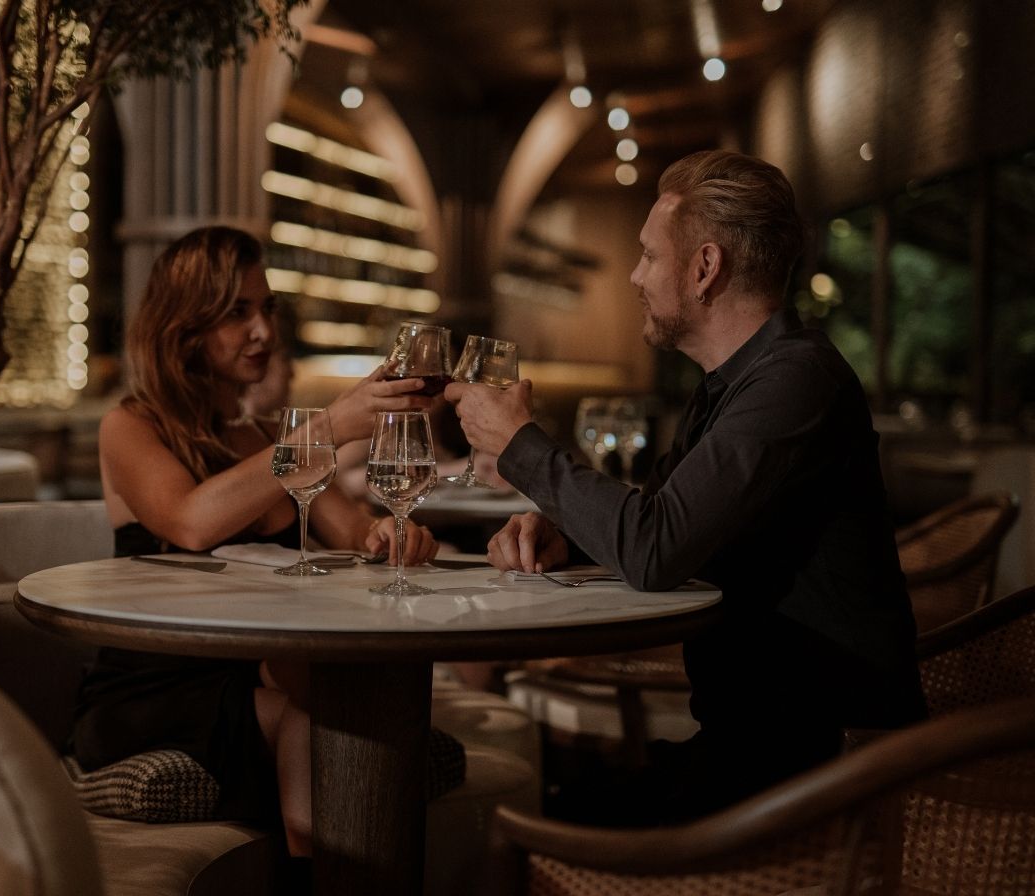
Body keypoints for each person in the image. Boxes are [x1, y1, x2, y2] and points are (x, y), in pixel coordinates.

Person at [446, 150, 926, 822]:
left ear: (705, 268)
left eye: (647, 255)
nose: (635, 276)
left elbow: (655, 549)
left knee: (524, 821)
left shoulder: (796, 382)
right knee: (539, 799)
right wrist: (563, 533)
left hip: (825, 775)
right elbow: (662, 518)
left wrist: (521, 445)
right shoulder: (729, 388)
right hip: (757, 748)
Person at [71, 226, 440, 859]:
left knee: (346, 713)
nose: (263, 330)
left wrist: (390, 534)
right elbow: (191, 521)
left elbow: (350, 530)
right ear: (185, 326)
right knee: (320, 728)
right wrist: (330, 424)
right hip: (154, 691)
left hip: (253, 676)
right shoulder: (130, 426)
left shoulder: (265, 437)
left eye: (266, 307)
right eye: (237, 312)